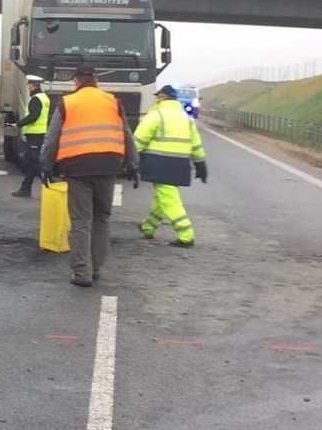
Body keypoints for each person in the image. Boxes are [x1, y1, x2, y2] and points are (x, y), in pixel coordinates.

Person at [40, 63, 139, 287]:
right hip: (109, 167)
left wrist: (45, 165)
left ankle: (81, 272)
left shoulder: (67, 102)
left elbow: (52, 138)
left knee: (81, 221)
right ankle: (95, 268)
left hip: (77, 168)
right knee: (102, 218)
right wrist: (134, 164)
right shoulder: (112, 101)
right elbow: (127, 135)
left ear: (75, 81)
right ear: (96, 80)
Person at [134, 84, 208, 247]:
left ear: (161, 97)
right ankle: (149, 227)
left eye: (157, 96)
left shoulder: (156, 115)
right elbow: (196, 144)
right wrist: (200, 164)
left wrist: (130, 160)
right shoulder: (186, 118)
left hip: (159, 162)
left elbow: (139, 139)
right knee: (162, 197)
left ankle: (186, 235)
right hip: (180, 164)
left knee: (169, 199)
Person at [11, 75, 51, 198]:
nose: (28, 87)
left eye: (28, 84)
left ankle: (48, 184)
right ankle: (27, 188)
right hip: (38, 133)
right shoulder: (44, 97)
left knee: (33, 162)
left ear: (32, 85)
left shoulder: (36, 99)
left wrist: (18, 124)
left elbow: (34, 116)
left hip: (35, 133)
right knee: (32, 161)